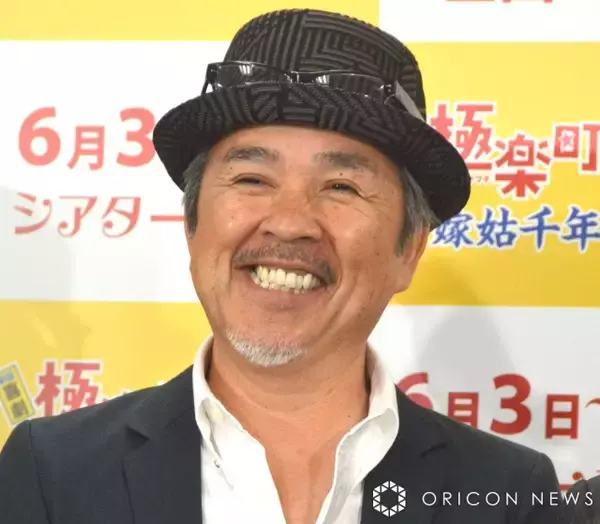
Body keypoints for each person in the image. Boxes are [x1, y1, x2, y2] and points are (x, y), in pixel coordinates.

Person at [0, 8, 566, 524]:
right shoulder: (52, 472)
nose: (290, 222)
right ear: (192, 226)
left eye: (342, 186)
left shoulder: (509, 494)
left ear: (409, 250)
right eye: (252, 178)